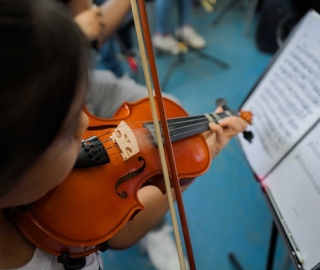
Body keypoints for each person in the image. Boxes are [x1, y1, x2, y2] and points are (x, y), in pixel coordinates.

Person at [0, 1, 249, 270]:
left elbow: (120, 232)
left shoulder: (38, 187)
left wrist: (192, 161)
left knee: (165, 110)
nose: (85, 122)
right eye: (69, 126)